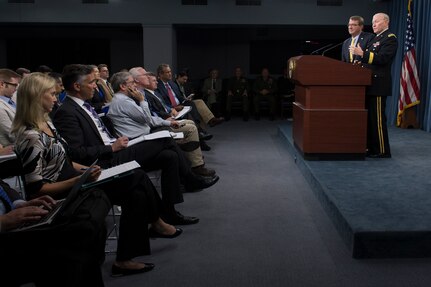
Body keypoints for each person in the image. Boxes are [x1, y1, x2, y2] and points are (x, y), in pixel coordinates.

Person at [12, 72, 183, 278]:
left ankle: (125, 258)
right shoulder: (30, 135)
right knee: (136, 175)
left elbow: (65, 160)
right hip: (65, 192)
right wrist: (78, 179)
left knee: (136, 191)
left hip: (78, 180)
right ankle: (154, 225)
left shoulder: (47, 124)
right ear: (36, 97)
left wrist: (85, 171)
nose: (57, 99)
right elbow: (36, 189)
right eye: (52, 94)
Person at [53, 64, 218, 224]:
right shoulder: (67, 112)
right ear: (76, 86)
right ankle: (190, 178)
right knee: (165, 139)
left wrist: (114, 143)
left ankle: (170, 211)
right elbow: (76, 153)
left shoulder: (83, 106)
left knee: (169, 156)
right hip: (104, 161)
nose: (96, 87)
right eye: (91, 83)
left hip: (118, 148)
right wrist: (111, 147)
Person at [0, 179, 110, 286]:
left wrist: (19, 203)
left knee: (86, 223)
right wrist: (3, 221)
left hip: (13, 222)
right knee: (69, 250)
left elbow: (2, 184)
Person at [126, 68, 216, 176]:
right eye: (145, 75)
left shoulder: (142, 93)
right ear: (137, 80)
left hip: (158, 123)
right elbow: (149, 118)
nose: (149, 78)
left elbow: (154, 113)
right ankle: (196, 165)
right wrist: (166, 120)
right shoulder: (137, 96)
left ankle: (194, 156)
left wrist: (169, 115)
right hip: (150, 131)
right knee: (190, 128)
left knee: (191, 120)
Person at [350, 12, 398, 158]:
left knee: (377, 120)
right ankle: (372, 148)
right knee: (370, 120)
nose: (374, 24)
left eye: (377, 21)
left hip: (378, 85)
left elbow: (383, 58)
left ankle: (382, 150)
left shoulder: (390, 38)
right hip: (368, 83)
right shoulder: (374, 39)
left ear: (386, 22)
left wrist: (362, 54)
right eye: (373, 22)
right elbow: (368, 62)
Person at [157, 64, 224, 130]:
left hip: (181, 104)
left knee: (199, 102)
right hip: (172, 108)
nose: (170, 74)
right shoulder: (157, 86)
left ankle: (211, 120)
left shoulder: (172, 84)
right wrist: (173, 108)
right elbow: (161, 103)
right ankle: (200, 129)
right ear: (161, 74)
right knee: (192, 105)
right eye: (168, 72)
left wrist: (185, 99)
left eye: (170, 72)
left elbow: (179, 97)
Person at [0, 69, 21, 146]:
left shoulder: (11, 101)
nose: (16, 88)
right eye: (14, 85)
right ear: (2, 84)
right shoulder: (0, 107)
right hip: (13, 153)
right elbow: (12, 135)